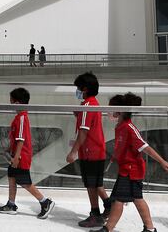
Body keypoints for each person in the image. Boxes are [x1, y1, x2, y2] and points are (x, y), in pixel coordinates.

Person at [92, 93, 168, 232]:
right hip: (126, 169)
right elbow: (122, 146)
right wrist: (114, 158)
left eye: (111, 108)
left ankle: (108, 229)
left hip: (132, 170)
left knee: (121, 199)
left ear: (121, 110)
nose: (109, 111)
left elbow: (143, 146)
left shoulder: (129, 128)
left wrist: (162, 161)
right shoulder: (120, 126)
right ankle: (148, 228)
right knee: (133, 198)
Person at [0, 87, 55, 219]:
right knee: (12, 177)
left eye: (11, 101)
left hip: (21, 157)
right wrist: (9, 150)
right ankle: (11, 204)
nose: (10, 104)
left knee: (24, 181)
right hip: (16, 155)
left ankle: (45, 202)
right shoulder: (19, 118)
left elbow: (21, 139)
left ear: (17, 102)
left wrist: (16, 157)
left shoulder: (22, 118)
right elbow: (16, 139)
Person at [66, 72, 110, 227]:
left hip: (90, 152)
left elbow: (83, 131)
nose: (77, 91)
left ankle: (95, 213)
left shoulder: (87, 106)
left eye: (78, 88)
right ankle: (108, 205)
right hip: (97, 150)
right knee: (95, 182)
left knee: (91, 184)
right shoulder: (94, 103)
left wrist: (73, 152)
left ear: (84, 89)